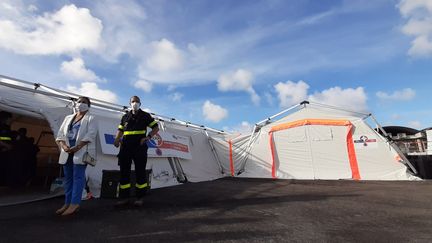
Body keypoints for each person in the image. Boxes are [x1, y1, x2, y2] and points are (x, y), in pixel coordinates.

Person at [114, 95, 159, 206]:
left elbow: (156, 127)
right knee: (124, 172)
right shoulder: (125, 117)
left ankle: (140, 198)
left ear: (140, 104)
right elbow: (120, 130)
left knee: (140, 172)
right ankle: (124, 198)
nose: (135, 103)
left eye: (137, 101)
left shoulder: (145, 115)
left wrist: (148, 137)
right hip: (125, 147)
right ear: (130, 103)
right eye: (133, 101)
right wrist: (117, 139)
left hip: (140, 147)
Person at [55, 97, 97, 216]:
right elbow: (61, 134)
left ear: (89, 106)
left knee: (78, 177)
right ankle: (67, 203)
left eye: (84, 102)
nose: (80, 104)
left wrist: (78, 147)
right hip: (67, 150)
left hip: (81, 149)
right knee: (68, 177)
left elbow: (91, 134)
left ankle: (75, 203)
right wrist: (63, 145)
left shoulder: (91, 118)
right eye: (79, 102)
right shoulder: (68, 118)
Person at [0, 111, 13, 186]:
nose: (10, 120)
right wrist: (6, 146)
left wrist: (8, 147)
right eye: (9, 119)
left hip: (5, 152)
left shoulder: (7, 128)